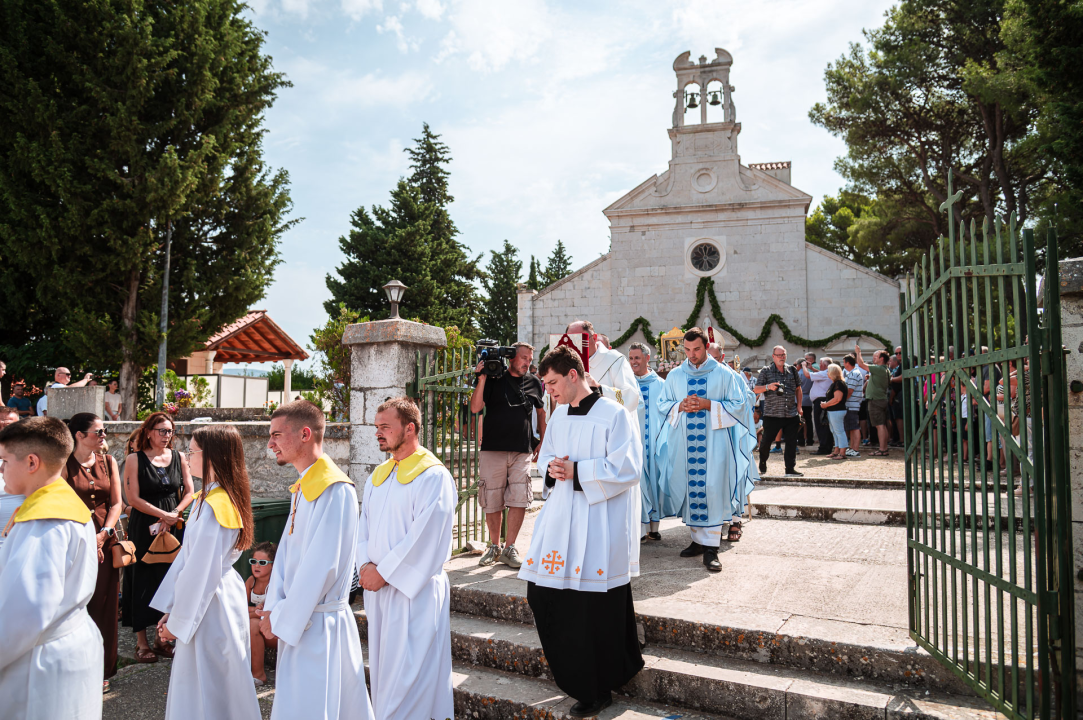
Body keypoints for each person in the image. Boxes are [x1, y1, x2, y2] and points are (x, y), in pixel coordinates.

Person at [519, 346, 644, 718]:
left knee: (594, 607)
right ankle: (578, 674)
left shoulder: (614, 414)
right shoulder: (557, 416)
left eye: (553, 383)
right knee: (541, 594)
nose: (549, 391)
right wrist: (554, 469)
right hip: (560, 521)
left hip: (598, 524)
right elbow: (546, 460)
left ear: (573, 375)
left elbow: (629, 468)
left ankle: (597, 686)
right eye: (546, 384)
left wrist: (578, 472)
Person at [259, 400, 375, 720]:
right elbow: (284, 556)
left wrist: (282, 615)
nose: (270, 444)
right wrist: (272, 607)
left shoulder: (334, 490)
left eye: (277, 435)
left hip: (319, 625)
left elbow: (321, 568)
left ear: (305, 434)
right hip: (297, 618)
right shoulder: (304, 486)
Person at [151, 424, 260, 720]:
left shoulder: (216, 505)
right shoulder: (206, 498)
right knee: (205, 679)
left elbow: (200, 572)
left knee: (213, 680)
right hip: (208, 598)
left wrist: (178, 620)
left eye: (192, 451)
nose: (186, 457)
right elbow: (188, 561)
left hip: (212, 603)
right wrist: (172, 610)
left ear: (212, 456)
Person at [357, 397, 456, 720]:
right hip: (379, 592)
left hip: (415, 593)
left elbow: (427, 538)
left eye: (385, 427)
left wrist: (383, 571)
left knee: (413, 676)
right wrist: (364, 565)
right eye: (376, 427)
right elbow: (364, 527)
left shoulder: (433, 476)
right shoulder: (379, 474)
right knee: (386, 673)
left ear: (409, 428)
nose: (378, 434)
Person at [0, 417, 103, 720]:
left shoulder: (44, 521)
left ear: (31, 462)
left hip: (41, 660)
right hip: (69, 643)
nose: (1, 468)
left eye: (4, 460)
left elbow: (25, 612)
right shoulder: (63, 502)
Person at [657, 328, 758, 565]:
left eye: (697, 349)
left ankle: (712, 546)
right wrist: (679, 406)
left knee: (712, 486)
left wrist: (707, 404)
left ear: (706, 346)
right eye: (688, 350)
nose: (691, 355)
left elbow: (739, 405)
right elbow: (662, 404)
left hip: (716, 443)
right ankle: (697, 540)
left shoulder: (724, 374)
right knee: (691, 487)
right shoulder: (675, 376)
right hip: (685, 444)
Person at [122, 411, 194, 663]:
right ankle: (142, 642)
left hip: (174, 524)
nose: (167, 436)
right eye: (162, 430)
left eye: (170, 431)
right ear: (149, 432)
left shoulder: (179, 457)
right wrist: (163, 514)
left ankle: (162, 638)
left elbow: (189, 491)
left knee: (171, 578)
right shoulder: (134, 459)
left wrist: (173, 514)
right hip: (144, 525)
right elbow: (133, 499)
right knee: (142, 578)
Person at [470, 342, 545, 569]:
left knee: (519, 499)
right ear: (511, 357)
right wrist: (481, 378)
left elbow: (541, 412)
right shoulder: (493, 379)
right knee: (492, 499)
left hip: (522, 449)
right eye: (524, 358)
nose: (527, 363)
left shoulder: (533, 382)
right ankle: (494, 546)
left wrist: (543, 439)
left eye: (530, 359)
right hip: (493, 449)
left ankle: (509, 547)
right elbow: (475, 407)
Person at [61, 413, 122, 691]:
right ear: (79, 435)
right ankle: (70, 666)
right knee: (74, 604)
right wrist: (88, 537)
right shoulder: (63, 464)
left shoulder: (108, 462)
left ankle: (102, 671)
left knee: (105, 605)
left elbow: (117, 503)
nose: (104, 435)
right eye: (99, 431)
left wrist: (104, 534)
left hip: (105, 542)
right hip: (73, 542)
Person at [628, 342, 668, 541]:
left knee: (654, 481)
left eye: (637, 358)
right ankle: (641, 527)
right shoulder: (627, 384)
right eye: (631, 358)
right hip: (633, 440)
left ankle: (654, 526)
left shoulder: (660, 384)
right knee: (638, 481)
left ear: (647, 358)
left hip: (653, 442)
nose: (634, 362)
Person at [565, 319, 640, 413]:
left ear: (594, 338)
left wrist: (599, 388)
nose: (575, 346)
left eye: (580, 340)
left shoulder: (615, 360)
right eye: (571, 341)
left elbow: (631, 397)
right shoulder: (566, 364)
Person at [754, 346, 804, 477]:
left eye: (784, 354)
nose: (782, 357)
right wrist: (768, 387)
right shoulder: (766, 371)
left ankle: (790, 468)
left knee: (791, 442)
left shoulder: (792, 370)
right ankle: (763, 460)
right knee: (766, 442)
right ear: (773, 356)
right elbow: (756, 389)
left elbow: (798, 389)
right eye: (779, 355)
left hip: (791, 413)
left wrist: (799, 406)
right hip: (772, 413)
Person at [246, 542, 277, 685]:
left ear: (272, 565)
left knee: (252, 624)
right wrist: (255, 611)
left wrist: (253, 613)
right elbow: (239, 608)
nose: (256, 566)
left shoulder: (276, 584)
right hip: (260, 622)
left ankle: (258, 674)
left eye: (262, 562)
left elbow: (273, 614)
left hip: (275, 630)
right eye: (254, 562)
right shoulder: (251, 582)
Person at [857, 347, 892, 456]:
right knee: (882, 425)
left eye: (875, 357)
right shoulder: (885, 369)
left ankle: (882, 449)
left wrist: (858, 353)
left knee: (879, 425)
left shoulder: (879, 368)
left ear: (881, 358)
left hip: (875, 400)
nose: (873, 359)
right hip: (881, 399)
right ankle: (884, 448)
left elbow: (861, 364)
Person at [804, 357, 835, 456]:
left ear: (824, 365)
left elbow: (807, 375)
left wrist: (804, 366)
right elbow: (819, 374)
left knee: (820, 424)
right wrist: (812, 369)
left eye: (821, 363)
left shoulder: (825, 373)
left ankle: (824, 447)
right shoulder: (827, 373)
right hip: (821, 401)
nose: (819, 364)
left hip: (821, 401)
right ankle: (826, 446)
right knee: (823, 424)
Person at [820, 365, 850, 460]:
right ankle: (836, 451)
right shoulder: (835, 383)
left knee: (839, 431)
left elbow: (837, 399)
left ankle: (842, 453)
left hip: (837, 410)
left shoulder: (839, 384)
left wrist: (826, 404)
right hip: (833, 410)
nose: (827, 373)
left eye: (828, 371)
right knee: (835, 431)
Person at [842, 354, 866, 457]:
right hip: (850, 404)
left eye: (844, 362)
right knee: (851, 427)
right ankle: (852, 448)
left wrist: (840, 400)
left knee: (855, 427)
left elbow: (849, 391)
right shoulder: (851, 373)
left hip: (852, 404)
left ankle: (855, 449)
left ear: (847, 363)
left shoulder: (854, 374)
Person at [800, 353, 816, 446]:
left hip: (801, 399)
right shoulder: (812, 373)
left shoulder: (800, 373)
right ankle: (810, 440)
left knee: (801, 421)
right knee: (809, 420)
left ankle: (801, 440)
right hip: (809, 399)